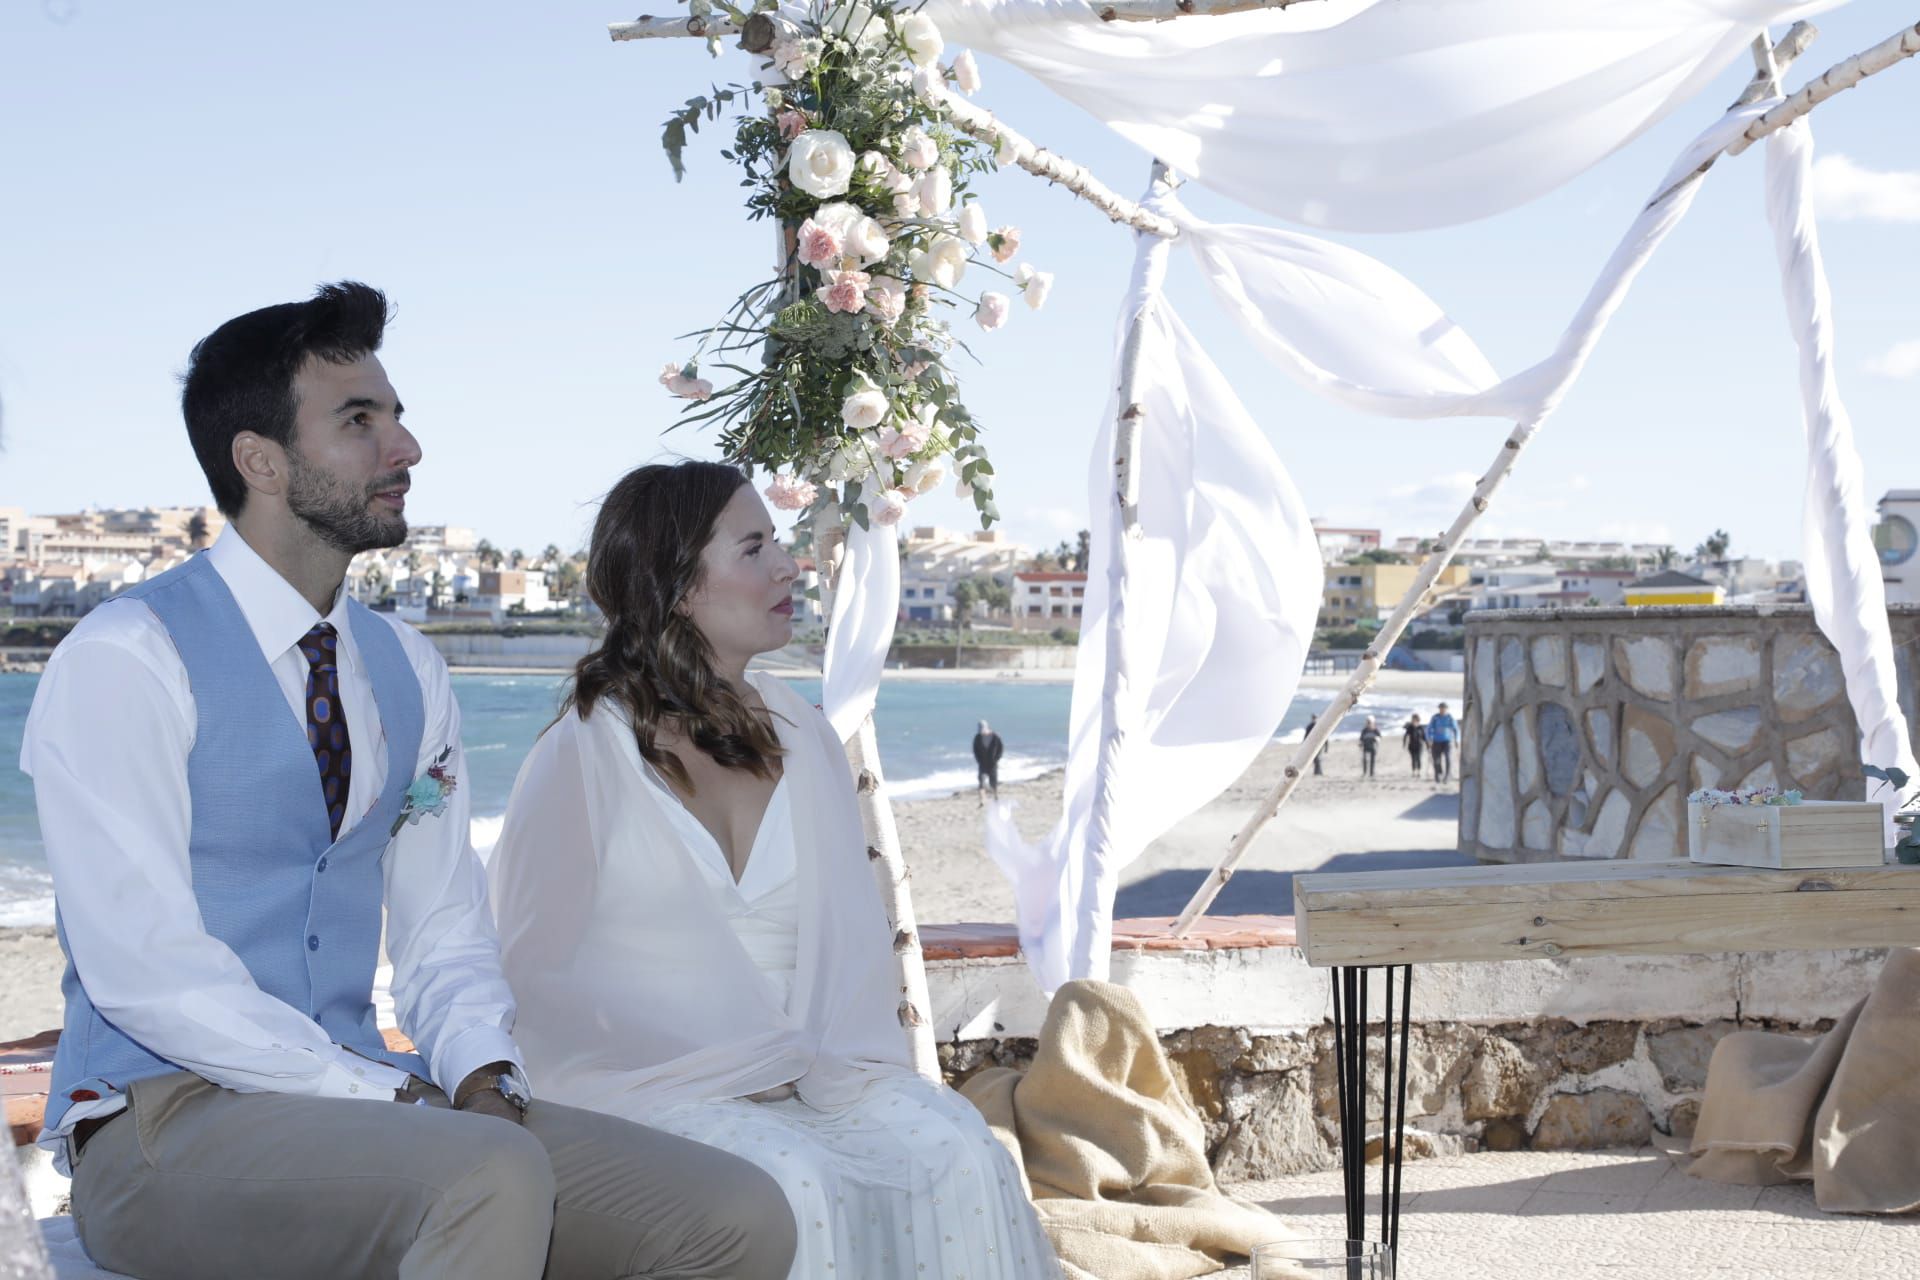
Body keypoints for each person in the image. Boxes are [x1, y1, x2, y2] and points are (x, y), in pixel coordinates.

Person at [19, 284, 795, 1280]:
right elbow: (147, 970)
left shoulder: (405, 668)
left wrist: (479, 1070)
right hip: (161, 1125)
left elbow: (441, 923)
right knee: (486, 1177)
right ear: (259, 460)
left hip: (368, 1098)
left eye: (396, 414)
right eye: (359, 420)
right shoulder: (127, 656)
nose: (407, 447)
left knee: (735, 1212)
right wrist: (377, 1096)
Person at [489, 461, 1056, 1279]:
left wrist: (807, 1061)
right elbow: (530, 965)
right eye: (754, 548)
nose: (788, 567)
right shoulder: (584, 751)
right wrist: (700, 1045)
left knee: (957, 1150)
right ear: (681, 587)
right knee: (791, 1185)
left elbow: (851, 949)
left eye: (778, 545)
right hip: (652, 1085)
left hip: (819, 1069)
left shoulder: (804, 731)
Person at [1427, 701, 1460, 783]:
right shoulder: (1435, 718)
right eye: (1441, 708)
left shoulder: (1450, 718)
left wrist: (1457, 740)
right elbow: (1429, 729)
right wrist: (1430, 738)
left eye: (1444, 708)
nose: (1442, 710)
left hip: (1447, 741)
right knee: (1436, 760)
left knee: (1448, 758)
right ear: (1439, 709)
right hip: (1436, 741)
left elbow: (1456, 729)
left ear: (1447, 709)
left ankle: (1447, 776)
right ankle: (1438, 774)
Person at [974, 718, 1005, 801]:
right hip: (982, 763)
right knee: (981, 781)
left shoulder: (995, 737)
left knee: (993, 782)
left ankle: (995, 796)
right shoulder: (977, 738)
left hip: (992, 764)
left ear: (987, 728)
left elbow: (1001, 748)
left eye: (983, 729)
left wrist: (997, 759)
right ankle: (982, 800)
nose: (982, 732)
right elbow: (975, 750)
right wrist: (978, 760)